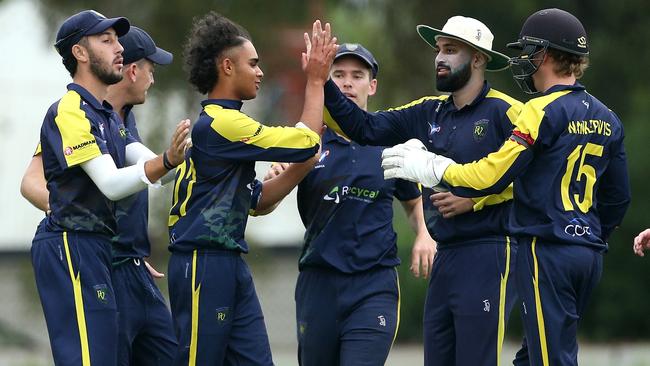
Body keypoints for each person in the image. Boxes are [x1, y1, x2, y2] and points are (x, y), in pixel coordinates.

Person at [381, 8, 631, 366]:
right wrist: (590, 235)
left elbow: (493, 175)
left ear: (545, 55)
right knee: (531, 357)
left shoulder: (538, 109)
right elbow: (618, 199)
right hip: (588, 253)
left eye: (528, 51)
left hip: (544, 249)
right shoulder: (609, 118)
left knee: (550, 359)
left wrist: (434, 168)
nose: (524, 60)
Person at [316, 16, 522, 366]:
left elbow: (537, 175)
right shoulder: (427, 110)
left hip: (489, 250)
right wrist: (321, 80)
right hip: (446, 256)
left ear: (478, 59)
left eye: (451, 50)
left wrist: (476, 199)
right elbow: (364, 127)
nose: (440, 58)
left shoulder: (506, 111)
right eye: (439, 50)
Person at [166, 12, 336, 365]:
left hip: (228, 262)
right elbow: (305, 140)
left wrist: (300, 167)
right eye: (253, 64)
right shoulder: (222, 122)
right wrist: (316, 81)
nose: (260, 73)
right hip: (202, 263)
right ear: (227, 67)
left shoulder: (228, 122)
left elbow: (256, 201)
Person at [262, 43, 436, 366]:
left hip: (375, 284)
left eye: (357, 76)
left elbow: (413, 203)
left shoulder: (388, 141)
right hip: (319, 282)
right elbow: (263, 204)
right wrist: (278, 175)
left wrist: (424, 234)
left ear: (372, 85)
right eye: (338, 74)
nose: (347, 83)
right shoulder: (307, 142)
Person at [31, 10, 189, 365]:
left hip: (98, 249)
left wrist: (193, 156)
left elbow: (156, 168)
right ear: (80, 54)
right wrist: (167, 160)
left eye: (117, 41)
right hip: (70, 247)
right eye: (107, 41)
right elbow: (112, 184)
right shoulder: (69, 110)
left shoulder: (107, 115)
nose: (119, 48)